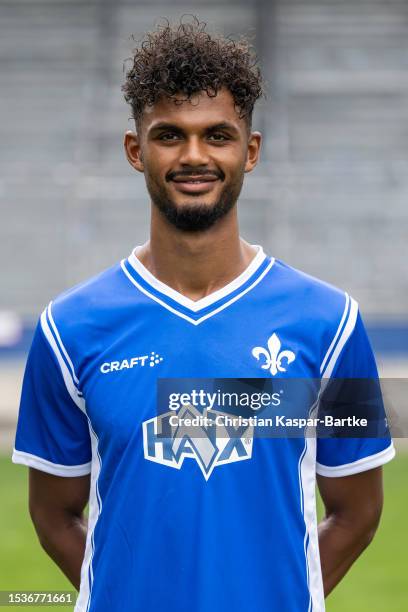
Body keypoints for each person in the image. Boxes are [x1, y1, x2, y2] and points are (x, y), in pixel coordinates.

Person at [13, 17, 394, 612]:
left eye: (217, 135)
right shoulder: (68, 329)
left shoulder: (331, 322)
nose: (195, 156)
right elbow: (53, 514)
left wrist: (273, 595)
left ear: (251, 149)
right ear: (136, 151)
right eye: (170, 135)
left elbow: (359, 512)